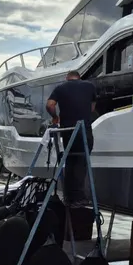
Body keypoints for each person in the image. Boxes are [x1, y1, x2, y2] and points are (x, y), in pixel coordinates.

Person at [46, 70, 97, 208]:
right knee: (82, 162)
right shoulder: (90, 86)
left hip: (68, 131)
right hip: (83, 129)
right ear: (79, 77)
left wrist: (55, 117)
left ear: (67, 78)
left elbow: (50, 105)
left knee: (70, 162)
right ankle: (79, 198)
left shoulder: (60, 88)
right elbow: (92, 107)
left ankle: (69, 198)